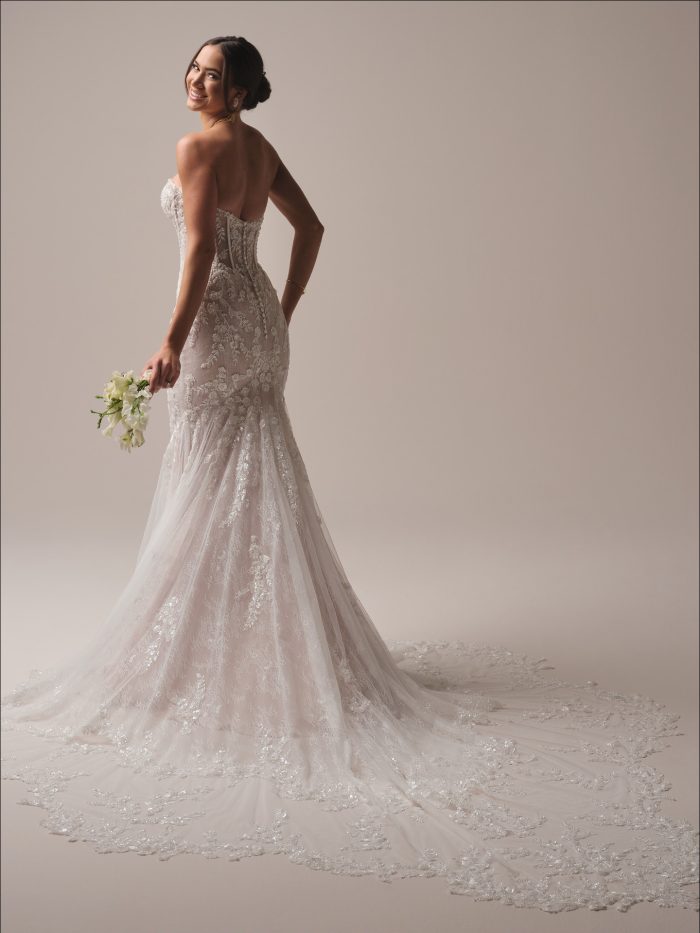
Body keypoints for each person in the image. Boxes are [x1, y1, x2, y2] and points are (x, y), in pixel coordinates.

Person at [1, 35, 697, 915]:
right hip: (262, 327)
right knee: (254, 475)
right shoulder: (260, 149)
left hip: (218, 325)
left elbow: (200, 255)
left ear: (246, 88)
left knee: (207, 477)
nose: (196, 80)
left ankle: (207, 656)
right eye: (193, 67)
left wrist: (172, 337)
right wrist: (282, 310)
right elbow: (312, 229)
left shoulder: (199, 148)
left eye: (214, 73)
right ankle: (253, 645)